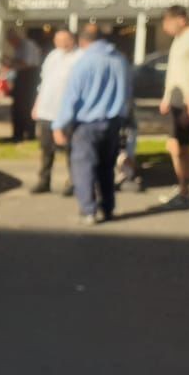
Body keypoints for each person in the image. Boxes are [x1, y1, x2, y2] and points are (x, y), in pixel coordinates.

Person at [52, 27, 132, 226]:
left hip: (87, 123)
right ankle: (108, 207)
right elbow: (128, 93)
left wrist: (59, 125)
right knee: (106, 167)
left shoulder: (84, 62)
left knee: (84, 166)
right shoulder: (120, 61)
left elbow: (71, 97)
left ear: (83, 42)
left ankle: (88, 210)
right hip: (113, 121)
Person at [159, 5, 189, 209]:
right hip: (176, 99)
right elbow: (174, 73)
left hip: (187, 100)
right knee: (177, 146)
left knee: (180, 146)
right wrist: (166, 97)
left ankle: (184, 190)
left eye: (167, 23)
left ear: (180, 19)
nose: (165, 28)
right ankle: (182, 187)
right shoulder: (178, 40)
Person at [31, 28, 81, 195]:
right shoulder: (53, 57)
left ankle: (74, 181)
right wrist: (37, 105)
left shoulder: (79, 58)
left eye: (63, 39)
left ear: (72, 40)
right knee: (46, 149)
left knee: (70, 149)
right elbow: (43, 83)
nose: (59, 43)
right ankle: (44, 180)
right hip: (47, 110)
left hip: (66, 112)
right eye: (56, 40)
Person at [0, 28, 42, 141]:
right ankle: (18, 133)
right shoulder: (19, 48)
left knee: (26, 108)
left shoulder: (27, 45)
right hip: (21, 79)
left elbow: (26, 64)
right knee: (17, 108)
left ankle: (29, 134)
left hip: (29, 80)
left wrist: (11, 63)